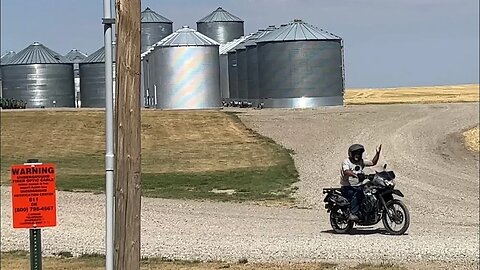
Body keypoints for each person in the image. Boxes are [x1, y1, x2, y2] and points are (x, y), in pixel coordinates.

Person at [340, 144, 382, 221]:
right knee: (358, 194)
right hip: (347, 186)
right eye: (355, 153)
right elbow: (346, 171)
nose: (357, 155)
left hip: (359, 185)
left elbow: (373, 162)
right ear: (351, 154)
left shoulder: (361, 161)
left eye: (359, 153)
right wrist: (355, 175)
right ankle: (353, 213)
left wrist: (377, 153)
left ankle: (370, 211)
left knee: (370, 191)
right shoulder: (346, 162)